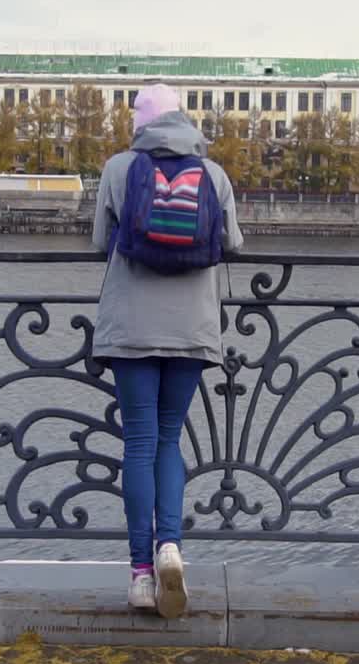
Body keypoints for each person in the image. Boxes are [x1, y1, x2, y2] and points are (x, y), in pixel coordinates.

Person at [90, 83, 244, 618]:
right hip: (192, 329)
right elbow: (232, 243)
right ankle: (170, 548)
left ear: (140, 123)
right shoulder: (214, 175)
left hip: (131, 328)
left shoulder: (118, 169)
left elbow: (98, 241)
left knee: (138, 442)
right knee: (169, 438)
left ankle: (139, 574)